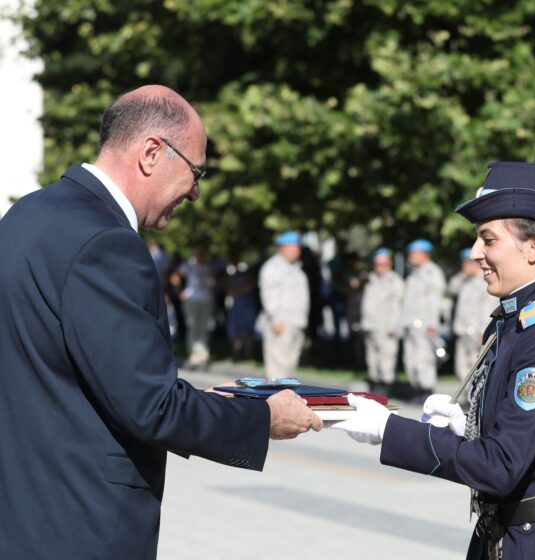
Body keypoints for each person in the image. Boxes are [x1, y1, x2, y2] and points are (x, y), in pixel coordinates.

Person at [0, 85, 322, 559]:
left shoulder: (27, 215)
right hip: (81, 527)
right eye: (195, 172)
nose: (194, 192)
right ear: (152, 153)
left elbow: (93, 378)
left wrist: (200, 399)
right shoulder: (107, 244)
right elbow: (151, 408)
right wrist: (262, 417)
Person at [334, 162, 535, 559]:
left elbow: (501, 467)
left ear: (534, 247)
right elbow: (517, 439)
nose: (475, 254)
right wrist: (466, 428)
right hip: (506, 533)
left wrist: (391, 430)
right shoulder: (512, 321)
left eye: (488, 240)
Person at [256, 231, 311, 376]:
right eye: (292, 247)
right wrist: (276, 319)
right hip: (280, 323)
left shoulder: (297, 269)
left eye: (298, 247)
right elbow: (269, 296)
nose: (296, 251)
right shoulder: (272, 268)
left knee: (290, 366)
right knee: (278, 366)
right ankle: (274, 396)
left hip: (296, 322)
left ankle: (285, 393)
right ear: (281, 248)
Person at [401, 238, 446, 399]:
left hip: (425, 325)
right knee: (410, 360)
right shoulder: (414, 274)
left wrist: (432, 323)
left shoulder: (432, 273)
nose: (410, 256)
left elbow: (435, 301)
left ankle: (426, 391)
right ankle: (417, 390)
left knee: (424, 360)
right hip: (410, 325)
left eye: (413, 253)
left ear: (424, 254)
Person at [360, 247, 405, 395]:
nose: (379, 268)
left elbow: (397, 306)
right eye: (377, 264)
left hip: (387, 328)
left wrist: (394, 326)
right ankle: (375, 383)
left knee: (387, 358)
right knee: (372, 358)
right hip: (371, 326)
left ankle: (386, 386)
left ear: (389, 264)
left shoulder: (395, 282)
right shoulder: (371, 280)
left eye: (383, 264)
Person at [450, 248, 498, 382]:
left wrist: (484, 330)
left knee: (475, 366)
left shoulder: (485, 281)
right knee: (461, 367)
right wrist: (463, 275)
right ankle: (465, 398)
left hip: (477, 332)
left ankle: (473, 399)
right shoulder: (464, 281)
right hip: (463, 330)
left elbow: (488, 309)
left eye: (467, 263)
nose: (463, 266)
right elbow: (451, 287)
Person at [172, 246, 216, 369]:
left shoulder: (208, 267)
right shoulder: (189, 265)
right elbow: (175, 277)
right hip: (192, 299)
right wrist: (180, 292)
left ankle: (203, 352)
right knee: (193, 325)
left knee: (204, 325)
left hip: (206, 299)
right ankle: (193, 352)